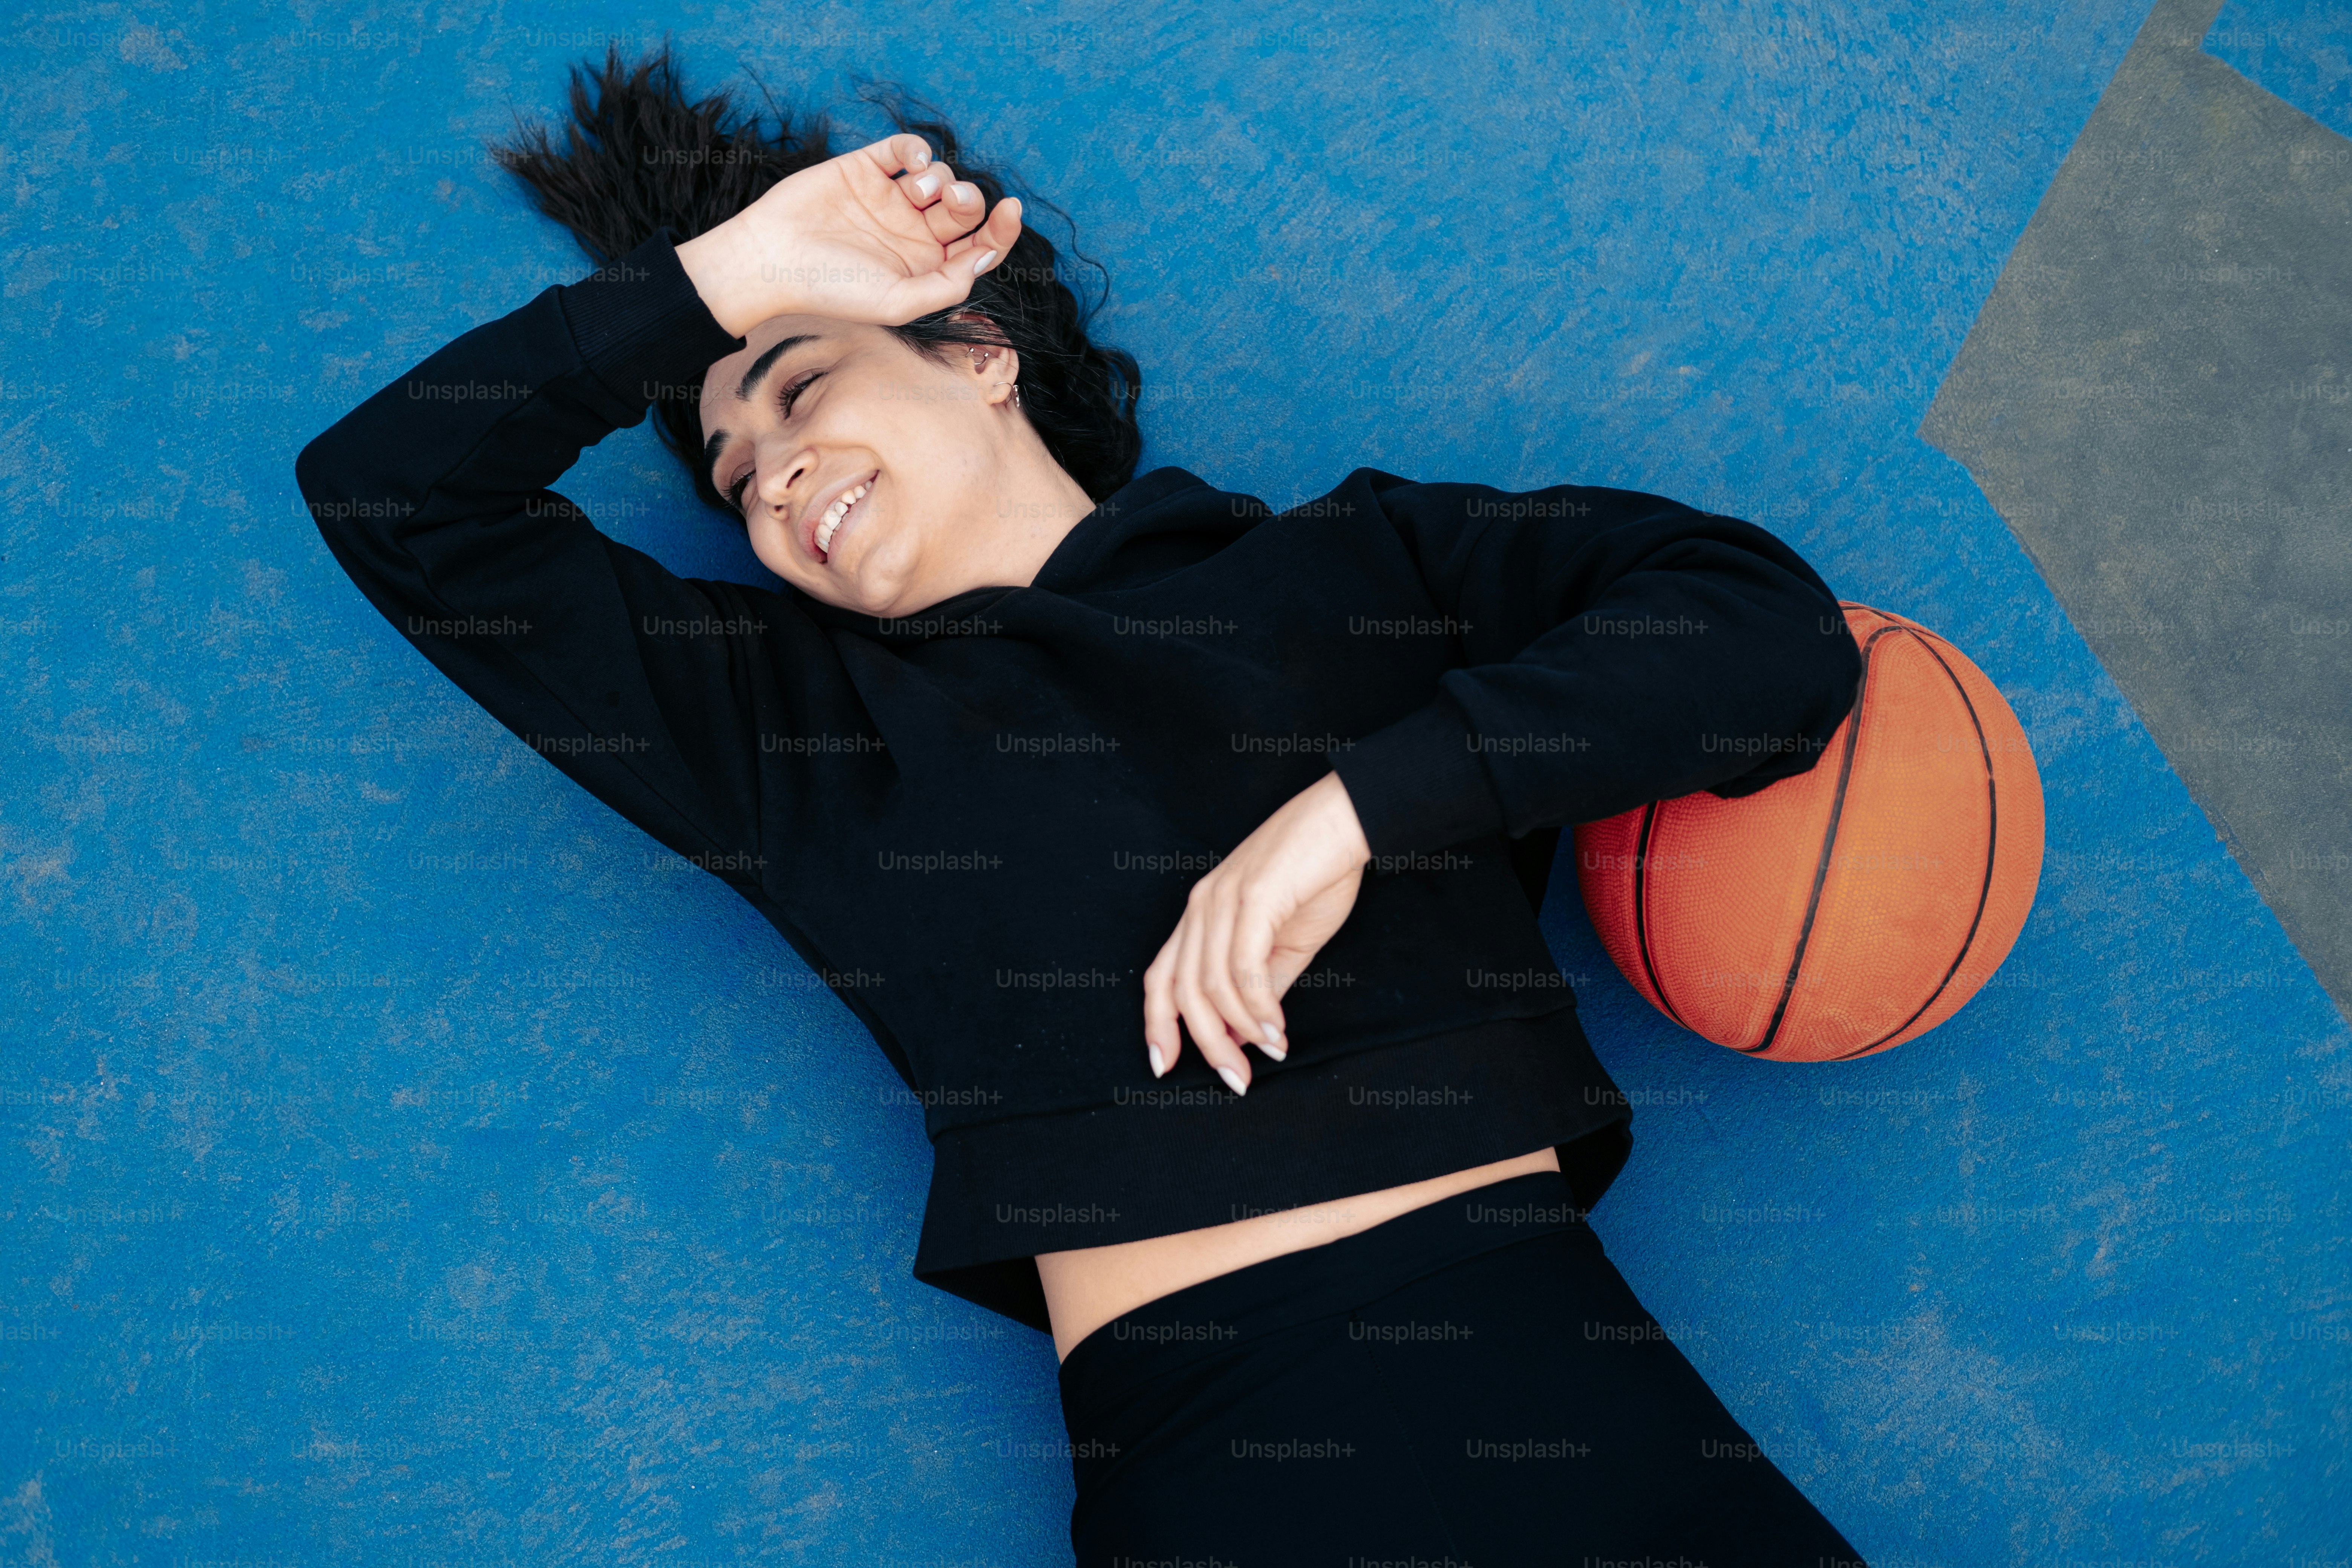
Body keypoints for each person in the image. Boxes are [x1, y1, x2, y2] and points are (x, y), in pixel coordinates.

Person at [296, 47, 1869, 1566]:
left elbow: (1761, 632)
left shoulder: (1352, 571)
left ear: (977, 351)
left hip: (1572, 1393)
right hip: (1215, 1465)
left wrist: (1355, 812)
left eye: (796, 382)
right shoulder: (794, 737)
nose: (767, 474)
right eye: (733, 471)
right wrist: (727, 279)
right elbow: (395, 496)